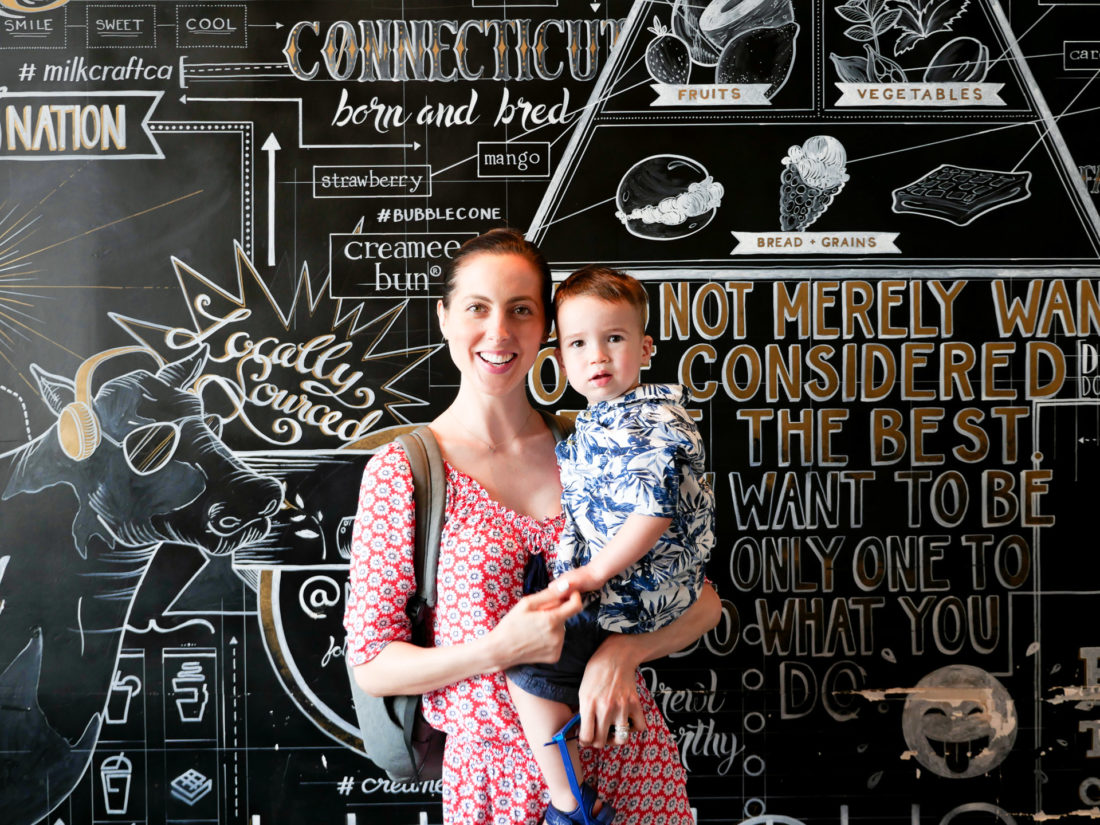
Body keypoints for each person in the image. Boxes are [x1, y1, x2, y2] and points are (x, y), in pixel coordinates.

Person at [344, 229, 721, 825]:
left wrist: (623, 652)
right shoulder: (407, 470)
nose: (499, 332)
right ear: (444, 318)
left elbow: (701, 602)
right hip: (493, 784)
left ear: (546, 327)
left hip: (630, 765)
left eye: (521, 310)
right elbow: (372, 664)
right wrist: (498, 650)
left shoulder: (593, 444)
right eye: (477, 308)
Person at [506, 265, 716, 825]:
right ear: (561, 356)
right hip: (628, 585)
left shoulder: (649, 422)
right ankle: (574, 781)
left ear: (645, 347)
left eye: (614, 339)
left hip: (637, 589)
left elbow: (653, 509)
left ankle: (570, 805)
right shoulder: (603, 421)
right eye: (578, 343)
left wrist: (593, 573)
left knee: (531, 670)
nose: (596, 357)